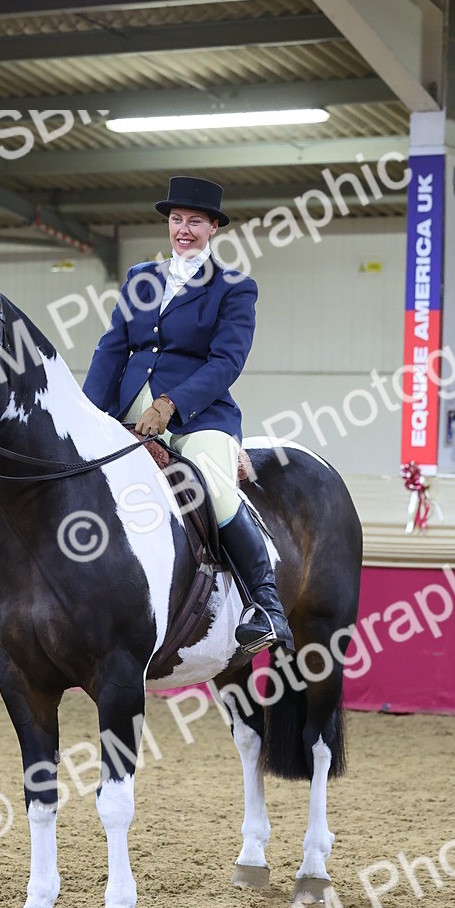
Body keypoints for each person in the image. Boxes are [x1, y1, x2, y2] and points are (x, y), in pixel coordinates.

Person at [82, 175, 293, 653]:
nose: (183, 229)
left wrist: (171, 402)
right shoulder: (141, 278)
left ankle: (265, 606)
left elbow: (227, 361)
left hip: (200, 415)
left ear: (213, 227)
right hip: (128, 409)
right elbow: (111, 348)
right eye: (176, 220)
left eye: (195, 221)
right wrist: (88, 413)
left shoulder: (234, 288)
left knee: (214, 490)